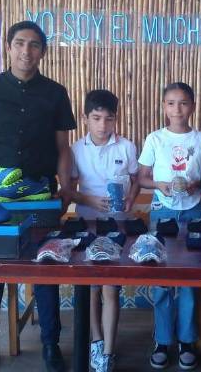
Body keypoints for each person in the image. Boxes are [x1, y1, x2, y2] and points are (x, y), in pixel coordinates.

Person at [0, 20, 76, 372]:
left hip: (41, 196)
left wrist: (66, 187)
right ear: (8, 47)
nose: (27, 51)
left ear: (43, 51)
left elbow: (63, 148)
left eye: (35, 44)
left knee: (45, 268)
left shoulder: (55, 93)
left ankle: (51, 345)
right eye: (20, 43)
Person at [138, 82, 201, 370]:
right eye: (171, 103)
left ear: (192, 106)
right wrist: (159, 185)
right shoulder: (155, 139)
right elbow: (142, 178)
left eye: (183, 103)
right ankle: (162, 339)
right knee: (162, 277)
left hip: (194, 210)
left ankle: (187, 340)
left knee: (190, 278)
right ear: (164, 106)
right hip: (163, 210)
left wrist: (196, 184)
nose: (177, 109)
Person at [70, 89, 140, 372]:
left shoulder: (126, 147)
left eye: (108, 119)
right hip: (88, 223)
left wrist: (131, 197)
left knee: (111, 287)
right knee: (91, 287)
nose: (102, 125)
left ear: (115, 119)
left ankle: (108, 352)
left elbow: (136, 180)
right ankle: (96, 341)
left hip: (118, 226)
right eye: (96, 118)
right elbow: (69, 190)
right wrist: (88, 200)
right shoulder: (76, 149)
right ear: (85, 118)